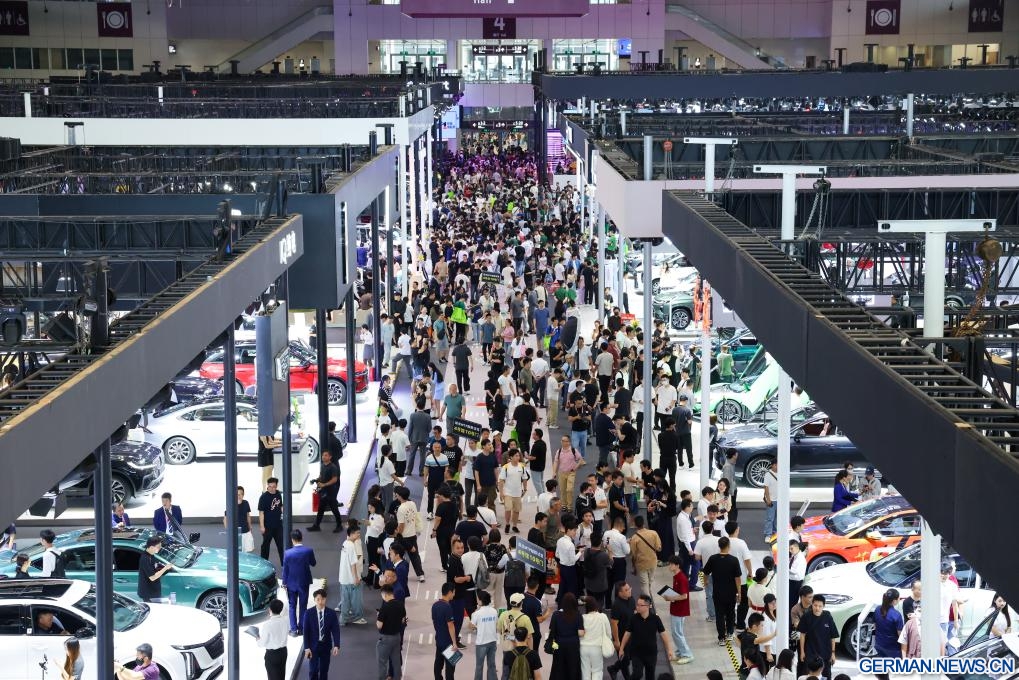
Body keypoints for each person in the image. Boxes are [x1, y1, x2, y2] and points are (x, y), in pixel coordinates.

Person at [620, 594, 676, 680]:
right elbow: (627, 633)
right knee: (637, 674)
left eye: (640, 605)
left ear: (647, 606)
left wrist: (669, 650)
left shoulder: (655, 619)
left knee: (650, 676)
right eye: (637, 604)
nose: (637, 607)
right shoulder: (633, 618)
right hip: (636, 653)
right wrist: (621, 648)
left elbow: (663, 634)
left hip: (651, 654)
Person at [702, 536, 742, 645]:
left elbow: (705, 572)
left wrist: (705, 582)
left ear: (719, 546)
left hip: (718, 592)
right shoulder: (734, 560)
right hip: (731, 593)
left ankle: (721, 639)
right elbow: (737, 578)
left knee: (719, 615)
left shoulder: (713, 559)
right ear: (729, 546)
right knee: (730, 613)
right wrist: (739, 592)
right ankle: (729, 633)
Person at [283, 529, 317, 635]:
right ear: (302, 538)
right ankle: (302, 629)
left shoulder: (287, 553)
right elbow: (313, 563)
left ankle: (293, 630)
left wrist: (284, 583)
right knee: (303, 606)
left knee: (292, 606)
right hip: (304, 582)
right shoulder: (308, 551)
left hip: (291, 583)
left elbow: (285, 570)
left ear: (292, 540)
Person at [797, 595, 838, 680]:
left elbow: (833, 636)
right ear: (812, 604)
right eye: (815, 605)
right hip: (810, 652)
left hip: (825, 652)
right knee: (809, 675)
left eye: (820, 606)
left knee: (826, 676)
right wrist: (802, 652)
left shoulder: (828, 617)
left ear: (823, 606)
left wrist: (833, 653)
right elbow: (802, 635)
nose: (817, 608)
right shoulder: (806, 616)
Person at [303, 589, 341, 680]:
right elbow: (306, 631)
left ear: (325, 599)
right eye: (318, 599)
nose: (320, 602)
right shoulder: (308, 613)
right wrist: (306, 647)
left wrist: (336, 645)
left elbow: (335, 630)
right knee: (313, 670)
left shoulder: (331, 613)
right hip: (313, 647)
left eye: (322, 599)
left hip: (326, 646)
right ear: (314, 600)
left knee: (324, 670)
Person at [664, 555, 694, 664]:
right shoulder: (676, 577)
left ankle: (687, 654)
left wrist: (670, 597)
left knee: (677, 633)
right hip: (676, 608)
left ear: (677, 565)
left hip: (680, 610)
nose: (669, 566)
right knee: (676, 632)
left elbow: (684, 596)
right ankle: (681, 652)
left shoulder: (681, 578)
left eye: (671, 564)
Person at [548, 592, 585, 680]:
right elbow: (580, 633)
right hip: (573, 645)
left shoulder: (556, 614)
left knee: (558, 667)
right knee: (572, 667)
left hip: (558, 644)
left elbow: (551, 631)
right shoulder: (577, 615)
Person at [338, 521, 367, 625]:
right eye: (357, 533)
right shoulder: (351, 546)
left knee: (345, 600)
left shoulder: (345, 543)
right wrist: (356, 578)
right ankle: (357, 618)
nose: (359, 535)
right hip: (351, 579)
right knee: (356, 600)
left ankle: (343, 619)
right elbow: (353, 564)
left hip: (343, 578)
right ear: (351, 534)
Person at [308, 450, 343, 532]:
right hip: (323, 491)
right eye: (323, 455)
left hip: (331, 491)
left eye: (326, 455)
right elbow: (321, 475)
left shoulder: (333, 467)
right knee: (321, 509)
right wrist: (316, 480)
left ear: (330, 457)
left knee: (334, 509)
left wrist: (324, 484)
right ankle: (316, 525)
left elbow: (334, 479)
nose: (323, 457)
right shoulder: (322, 465)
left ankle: (339, 525)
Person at [467, 589, 499, 680]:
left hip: (481, 643)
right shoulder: (494, 611)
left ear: (481, 601)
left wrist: (477, 626)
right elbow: (496, 624)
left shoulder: (476, 614)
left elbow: (471, 626)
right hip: (492, 641)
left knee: (479, 666)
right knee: (492, 665)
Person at [376, 584, 406, 680]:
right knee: (396, 661)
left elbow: (379, 625)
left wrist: (378, 616)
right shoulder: (400, 605)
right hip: (397, 637)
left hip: (386, 639)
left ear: (384, 595)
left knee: (382, 661)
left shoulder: (384, 608)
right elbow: (403, 620)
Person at [607, 581, 636, 679]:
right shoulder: (616, 605)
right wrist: (616, 641)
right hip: (621, 636)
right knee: (625, 660)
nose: (630, 590)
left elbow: (634, 612)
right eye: (626, 590)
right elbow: (614, 623)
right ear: (620, 593)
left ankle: (613, 668)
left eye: (629, 588)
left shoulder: (631, 599)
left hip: (631, 634)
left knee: (630, 657)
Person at [580, 595, 612, 680]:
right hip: (596, 648)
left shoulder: (582, 618)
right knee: (597, 671)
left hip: (583, 648)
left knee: (585, 671)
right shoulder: (602, 616)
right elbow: (609, 633)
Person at [628, 516, 661, 596]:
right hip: (653, 561)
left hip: (641, 564)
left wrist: (634, 567)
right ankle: (650, 595)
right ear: (644, 523)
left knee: (644, 584)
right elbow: (659, 548)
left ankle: (647, 600)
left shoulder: (634, 538)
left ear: (635, 525)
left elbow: (633, 554)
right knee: (650, 580)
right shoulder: (653, 533)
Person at [433, 583, 460, 680]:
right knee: (450, 669)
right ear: (449, 592)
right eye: (454, 592)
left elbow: (435, 622)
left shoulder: (435, 605)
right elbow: (450, 626)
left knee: (438, 664)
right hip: (448, 642)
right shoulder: (447, 607)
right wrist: (454, 643)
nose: (454, 594)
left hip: (439, 640)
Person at [499, 449, 530, 533]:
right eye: (516, 456)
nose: (518, 457)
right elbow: (501, 480)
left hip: (518, 493)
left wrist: (525, 488)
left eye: (518, 456)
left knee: (516, 510)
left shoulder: (522, 466)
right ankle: (507, 524)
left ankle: (514, 526)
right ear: (511, 457)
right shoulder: (505, 467)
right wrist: (501, 493)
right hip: (508, 492)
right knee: (508, 509)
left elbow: (524, 478)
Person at [257, 599, 290, 680]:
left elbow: (262, 643)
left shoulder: (267, 625)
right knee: (281, 676)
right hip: (283, 652)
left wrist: (257, 639)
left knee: (272, 677)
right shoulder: (285, 621)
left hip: (272, 655)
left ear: (270, 610)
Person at [137, 536, 174, 603]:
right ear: (151, 547)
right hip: (149, 594)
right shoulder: (145, 559)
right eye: (158, 547)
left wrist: (166, 569)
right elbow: (152, 577)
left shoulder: (151, 555)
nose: (160, 549)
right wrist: (165, 568)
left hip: (154, 591)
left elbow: (155, 569)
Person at [258, 477, 286, 563]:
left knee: (281, 545)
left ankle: (284, 564)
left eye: (273, 486)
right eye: (269, 486)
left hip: (278, 525)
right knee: (265, 546)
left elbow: (280, 506)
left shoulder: (278, 494)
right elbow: (261, 513)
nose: (271, 488)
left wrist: (285, 514)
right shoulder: (263, 497)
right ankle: (264, 564)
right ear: (268, 486)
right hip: (267, 526)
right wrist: (262, 526)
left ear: (276, 486)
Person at [874, 589, 904, 659]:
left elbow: (875, 626)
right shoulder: (896, 615)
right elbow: (901, 636)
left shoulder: (877, 609)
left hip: (879, 644)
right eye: (899, 598)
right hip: (892, 648)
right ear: (894, 601)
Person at [224, 485, 254, 552]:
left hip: (246, 531)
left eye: (241, 494)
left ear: (243, 495)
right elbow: (225, 519)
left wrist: (250, 526)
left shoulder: (246, 503)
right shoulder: (231, 504)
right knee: (237, 552)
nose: (239, 496)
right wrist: (228, 531)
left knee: (248, 551)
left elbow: (248, 515)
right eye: (237, 494)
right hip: (236, 533)